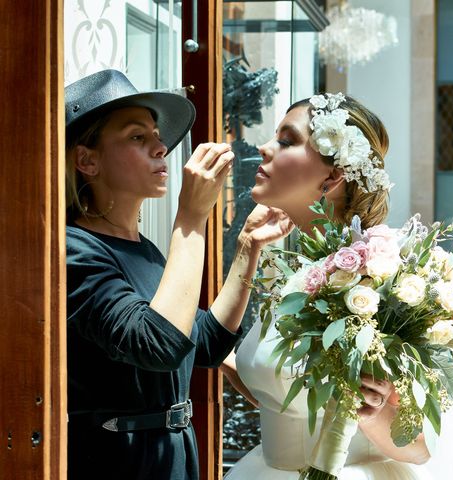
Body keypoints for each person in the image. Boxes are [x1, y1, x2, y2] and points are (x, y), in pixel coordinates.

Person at [222, 93, 453, 480]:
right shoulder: (296, 272)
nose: (264, 147)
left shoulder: (381, 276)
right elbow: (287, 386)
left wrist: (373, 413)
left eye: (287, 141)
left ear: (331, 177)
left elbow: (421, 447)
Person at [65, 69, 293, 480]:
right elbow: (158, 344)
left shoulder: (144, 250)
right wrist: (191, 216)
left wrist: (247, 247)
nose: (161, 148)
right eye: (138, 137)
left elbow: (201, 344)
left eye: (157, 136)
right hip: (117, 463)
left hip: (173, 458)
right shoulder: (73, 250)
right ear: (87, 160)